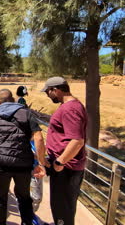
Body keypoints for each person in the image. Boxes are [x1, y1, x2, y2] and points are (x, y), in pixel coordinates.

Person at [0, 89, 48, 225]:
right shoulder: (26, 113)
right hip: (23, 162)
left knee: (0, 195)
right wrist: (41, 163)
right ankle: (27, 222)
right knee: (24, 196)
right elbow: (39, 138)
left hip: (1, 163)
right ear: (12, 99)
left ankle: (0, 222)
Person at [41, 77, 87, 225]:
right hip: (64, 166)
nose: (47, 95)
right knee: (61, 207)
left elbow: (77, 140)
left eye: (48, 92)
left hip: (66, 169)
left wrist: (60, 162)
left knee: (62, 209)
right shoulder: (68, 106)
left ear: (56, 89)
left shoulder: (70, 108)